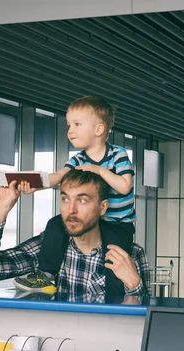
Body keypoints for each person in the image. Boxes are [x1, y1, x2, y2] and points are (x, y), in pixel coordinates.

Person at [0, 169, 149, 297]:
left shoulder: (130, 254)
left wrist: (134, 283)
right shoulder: (48, 246)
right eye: (65, 199)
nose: (71, 210)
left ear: (102, 208)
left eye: (83, 200)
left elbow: (144, 320)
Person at [22, 96, 136, 294]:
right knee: (55, 224)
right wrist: (34, 185)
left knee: (114, 260)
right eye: (69, 125)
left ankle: (115, 297)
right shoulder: (77, 159)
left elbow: (125, 186)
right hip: (95, 221)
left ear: (99, 129)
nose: (70, 131)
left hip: (119, 224)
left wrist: (98, 170)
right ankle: (46, 275)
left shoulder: (118, 154)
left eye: (77, 124)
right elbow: (59, 176)